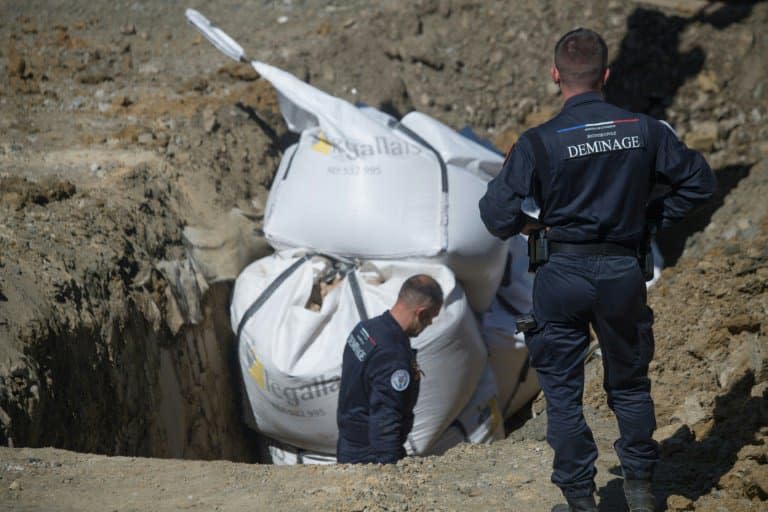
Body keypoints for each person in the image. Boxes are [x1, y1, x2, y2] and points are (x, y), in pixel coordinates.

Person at [479, 28, 716, 512]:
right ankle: (641, 490)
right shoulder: (646, 130)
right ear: (606, 75)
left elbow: (495, 216)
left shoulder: (538, 142)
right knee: (629, 385)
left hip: (561, 273)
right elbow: (700, 185)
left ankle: (578, 499)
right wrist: (647, 223)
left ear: (555, 76)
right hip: (622, 272)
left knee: (563, 394)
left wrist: (531, 227)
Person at [336, 274, 443, 464]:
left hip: (348, 442)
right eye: (430, 318)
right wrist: (390, 469)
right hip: (369, 455)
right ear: (421, 313)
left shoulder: (365, 329)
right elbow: (385, 420)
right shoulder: (393, 357)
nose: (430, 324)